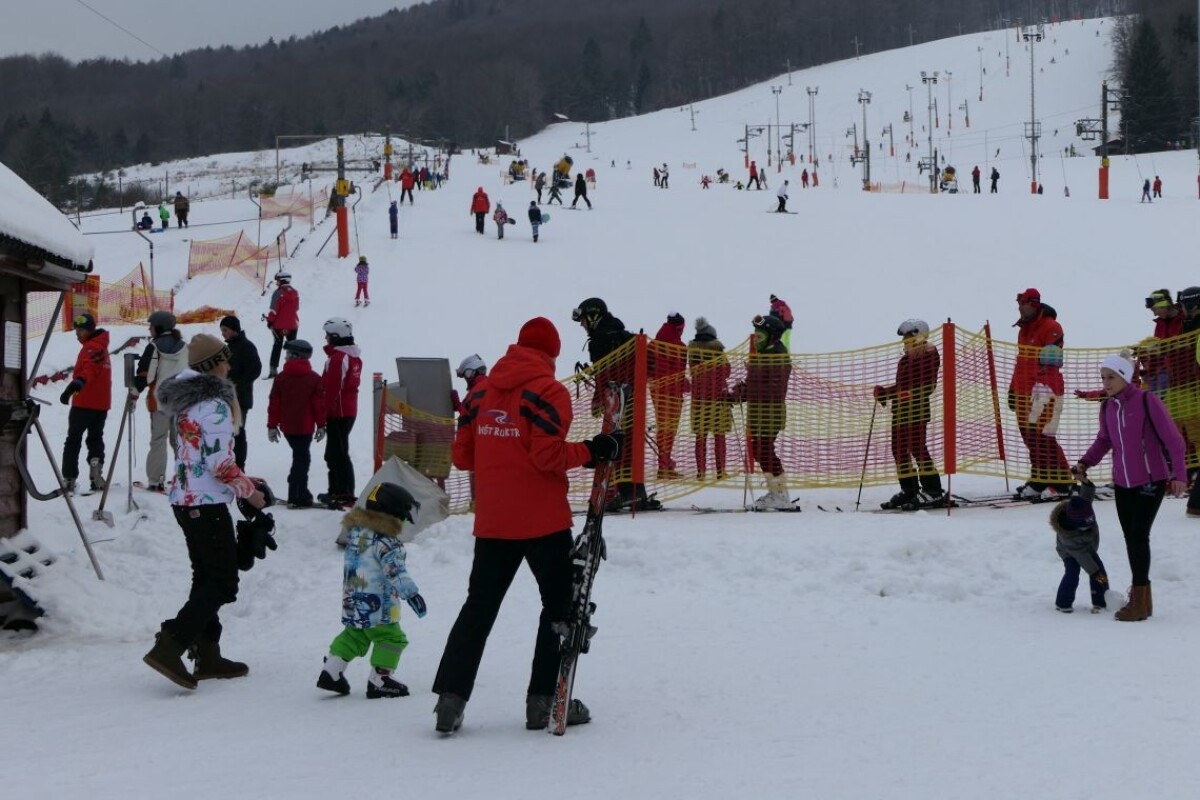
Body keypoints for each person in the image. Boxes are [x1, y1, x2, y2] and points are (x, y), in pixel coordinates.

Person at [432, 316, 618, 734]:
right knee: (558, 610)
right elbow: (547, 457)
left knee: (477, 610)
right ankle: (545, 702)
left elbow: (462, 458)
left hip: (494, 521)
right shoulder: (549, 391)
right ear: (551, 354)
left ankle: (450, 701)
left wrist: (499, 451)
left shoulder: (480, 392)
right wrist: (593, 450)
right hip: (543, 522)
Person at [143, 333, 268, 689]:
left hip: (187, 500)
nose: (230, 365)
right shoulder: (213, 405)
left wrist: (246, 480)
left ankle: (208, 652)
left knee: (206, 578)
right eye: (225, 359)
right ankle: (172, 642)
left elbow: (201, 458)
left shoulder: (187, 402)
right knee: (223, 583)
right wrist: (250, 494)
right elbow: (219, 464)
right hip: (206, 504)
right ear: (214, 365)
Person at [1073, 352, 1187, 621]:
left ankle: (1139, 598)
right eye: (1103, 378)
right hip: (1123, 482)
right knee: (1131, 538)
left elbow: (1174, 440)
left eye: (1111, 377)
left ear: (1125, 376)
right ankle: (1143, 599)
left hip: (1151, 480)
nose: (1106, 382)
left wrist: (1179, 474)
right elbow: (1104, 440)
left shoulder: (1147, 401)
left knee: (1138, 536)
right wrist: (1084, 463)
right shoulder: (1108, 407)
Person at [317, 481, 425, 698]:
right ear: (392, 514)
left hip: (352, 601)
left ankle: (332, 671)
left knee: (354, 635)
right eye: (403, 517)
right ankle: (380, 679)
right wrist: (411, 594)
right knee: (392, 639)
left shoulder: (356, 535)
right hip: (379, 606)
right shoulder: (387, 543)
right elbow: (395, 571)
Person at [572, 297, 659, 511]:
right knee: (629, 442)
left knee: (615, 444)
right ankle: (635, 492)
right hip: (634, 395)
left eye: (584, 320)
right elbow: (651, 362)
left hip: (615, 399)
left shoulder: (600, 339)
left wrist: (598, 399)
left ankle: (625, 493)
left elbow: (604, 372)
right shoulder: (624, 334)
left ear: (594, 316)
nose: (583, 326)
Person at [1009, 288, 1073, 500]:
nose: (1020, 308)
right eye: (1019, 304)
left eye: (1023, 304)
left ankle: (1055, 481)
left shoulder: (1051, 327)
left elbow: (1051, 362)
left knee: (1043, 437)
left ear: (1034, 304)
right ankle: (1045, 478)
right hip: (1023, 391)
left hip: (1044, 391)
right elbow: (1021, 361)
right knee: (1030, 438)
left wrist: (1042, 390)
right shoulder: (1023, 329)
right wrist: (1012, 388)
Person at [875, 319, 945, 510]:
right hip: (900, 411)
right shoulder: (905, 360)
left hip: (917, 410)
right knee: (898, 450)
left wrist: (911, 394)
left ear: (918, 336)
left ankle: (933, 490)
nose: (904, 341)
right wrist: (885, 392)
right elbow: (901, 387)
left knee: (917, 448)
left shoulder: (928, 354)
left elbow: (929, 385)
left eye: (908, 336)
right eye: (904, 337)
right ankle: (910, 490)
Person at [731, 314, 792, 510]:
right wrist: (736, 394)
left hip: (770, 413)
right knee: (760, 451)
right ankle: (776, 492)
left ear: (772, 336)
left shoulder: (779, 356)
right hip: (759, 413)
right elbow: (754, 385)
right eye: (755, 336)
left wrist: (747, 389)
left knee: (764, 451)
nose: (756, 340)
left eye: (760, 336)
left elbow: (774, 388)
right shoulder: (762, 356)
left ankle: (781, 495)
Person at [132, 311, 188, 491]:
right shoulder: (184, 347)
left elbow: (145, 374)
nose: (149, 329)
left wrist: (134, 392)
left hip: (160, 401)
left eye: (151, 326)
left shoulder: (154, 347)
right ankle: (185, 477)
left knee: (158, 439)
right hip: (181, 401)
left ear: (159, 327)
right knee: (179, 440)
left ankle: (157, 480)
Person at [266, 339, 324, 508]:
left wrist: (272, 426)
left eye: (287, 355)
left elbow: (274, 404)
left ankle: (299, 492)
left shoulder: (281, 378)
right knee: (302, 459)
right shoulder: (314, 378)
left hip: (288, 428)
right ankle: (297, 495)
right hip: (305, 428)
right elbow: (319, 405)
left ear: (295, 356)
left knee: (300, 457)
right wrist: (321, 425)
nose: (284, 358)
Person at [59, 313, 112, 495]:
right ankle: (96, 475)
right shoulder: (102, 347)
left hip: (84, 403)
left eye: (80, 330)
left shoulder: (92, 348)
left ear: (89, 330)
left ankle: (69, 480)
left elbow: (89, 370)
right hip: (101, 404)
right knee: (95, 438)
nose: (77, 334)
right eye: (76, 330)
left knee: (73, 440)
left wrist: (76, 385)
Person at [318, 317, 362, 509]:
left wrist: (323, 412)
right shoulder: (352, 357)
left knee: (338, 452)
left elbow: (332, 389)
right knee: (335, 452)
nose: (326, 339)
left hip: (339, 412)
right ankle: (337, 490)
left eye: (328, 335)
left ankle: (344, 492)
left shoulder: (338, 359)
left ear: (335, 337)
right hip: (346, 410)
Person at [1049, 483, 1111, 613]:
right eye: (1085, 526)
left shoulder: (1083, 507)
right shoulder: (1069, 536)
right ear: (1075, 524)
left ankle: (1101, 601)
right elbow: (1084, 558)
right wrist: (1095, 574)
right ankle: (1063, 602)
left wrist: (1086, 481)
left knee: (1101, 573)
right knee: (1073, 573)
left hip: (1087, 547)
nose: (1089, 527)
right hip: (1069, 551)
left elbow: (1087, 494)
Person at [687, 316, 732, 481]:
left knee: (701, 437)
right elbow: (727, 371)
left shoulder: (693, 352)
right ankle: (720, 471)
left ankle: (701, 472)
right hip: (718, 399)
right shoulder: (718, 351)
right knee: (719, 436)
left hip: (699, 400)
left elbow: (693, 372)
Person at [220, 315, 262, 470]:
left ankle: (239, 465)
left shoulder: (246, 346)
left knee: (237, 431)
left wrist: (238, 384)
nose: (223, 333)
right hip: (226, 397)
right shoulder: (227, 348)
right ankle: (228, 463)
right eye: (222, 330)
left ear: (233, 330)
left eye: (225, 330)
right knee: (226, 431)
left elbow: (255, 369)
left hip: (240, 398)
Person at [649, 312, 688, 479]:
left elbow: (648, 370)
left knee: (662, 427)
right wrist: (685, 384)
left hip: (656, 391)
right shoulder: (679, 346)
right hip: (672, 394)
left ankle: (664, 463)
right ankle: (664, 466)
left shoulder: (652, 345)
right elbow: (678, 372)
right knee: (669, 429)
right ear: (680, 327)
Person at [265, 272, 299, 379]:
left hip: (279, 325)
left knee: (277, 346)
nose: (276, 283)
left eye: (278, 281)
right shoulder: (295, 292)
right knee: (292, 347)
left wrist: (270, 321)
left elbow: (273, 310)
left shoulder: (278, 293)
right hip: (293, 324)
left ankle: (273, 370)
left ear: (282, 281)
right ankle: (292, 369)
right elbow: (296, 308)